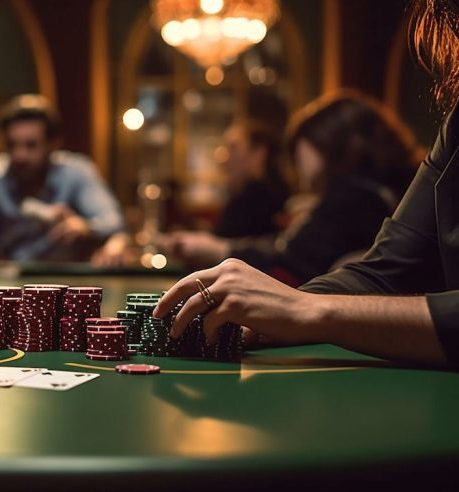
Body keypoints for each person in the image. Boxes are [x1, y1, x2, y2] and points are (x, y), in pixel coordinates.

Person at [154, 0, 459, 367]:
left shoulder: (352, 194)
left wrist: (308, 309)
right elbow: (384, 271)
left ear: (327, 144)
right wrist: (278, 317)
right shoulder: (455, 124)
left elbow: (297, 265)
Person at [159, 91, 420, 287]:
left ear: (325, 141)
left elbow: (294, 260)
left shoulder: (355, 195)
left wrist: (218, 249)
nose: (296, 160)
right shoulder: (384, 188)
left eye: (300, 145)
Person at [0, 94, 129, 267]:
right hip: (7, 288)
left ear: (53, 144)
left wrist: (86, 227)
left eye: (31, 145)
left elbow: (112, 221)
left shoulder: (76, 172)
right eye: (12, 145)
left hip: (66, 287)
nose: (19, 155)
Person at [212, 121, 288, 238]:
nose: (224, 158)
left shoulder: (257, 197)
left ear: (259, 153)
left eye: (233, 148)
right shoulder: (255, 192)